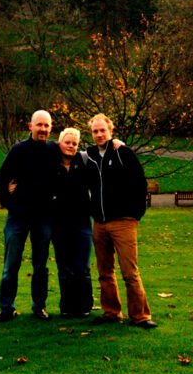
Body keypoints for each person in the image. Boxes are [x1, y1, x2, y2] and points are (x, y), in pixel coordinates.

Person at [85, 113, 156, 329]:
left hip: (123, 221)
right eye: (95, 131)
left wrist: (136, 214)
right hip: (100, 223)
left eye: (102, 130)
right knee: (105, 272)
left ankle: (140, 316)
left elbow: (139, 184)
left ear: (110, 131)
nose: (99, 134)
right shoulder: (89, 156)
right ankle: (111, 312)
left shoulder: (123, 153)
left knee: (129, 271)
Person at [0, 110, 57, 323]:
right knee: (11, 264)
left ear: (51, 128)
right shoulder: (18, 150)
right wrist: (8, 202)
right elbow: (1, 178)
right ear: (30, 126)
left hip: (43, 217)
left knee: (40, 265)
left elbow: (76, 153)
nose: (43, 129)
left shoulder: (54, 150)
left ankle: (39, 306)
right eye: (39, 125)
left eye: (46, 125)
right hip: (18, 217)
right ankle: (6, 308)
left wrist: (115, 143)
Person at [49, 127, 94, 318]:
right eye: (67, 142)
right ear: (60, 143)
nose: (71, 146)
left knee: (82, 267)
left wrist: (119, 144)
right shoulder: (51, 164)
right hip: (59, 224)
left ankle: (84, 306)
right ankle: (67, 306)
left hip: (82, 223)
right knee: (64, 267)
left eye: (74, 143)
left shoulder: (84, 163)